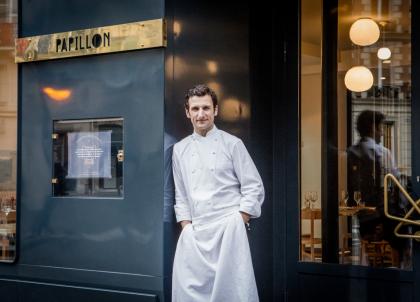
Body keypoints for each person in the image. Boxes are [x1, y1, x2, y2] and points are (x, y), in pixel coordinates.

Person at [171, 84, 265, 302]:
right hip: (196, 234)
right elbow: (181, 193)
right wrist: (187, 227)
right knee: (191, 293)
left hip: (228, 231)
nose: (201, 114)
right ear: (187, 113)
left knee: (233, 291)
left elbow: (253, 186)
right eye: (195, 109)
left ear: (216, 110)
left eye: (206, 108)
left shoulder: (233, 144)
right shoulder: (179, 149)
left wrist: (239, 219)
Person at [347, 110, 408, 265]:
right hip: (383, 216)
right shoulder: (382, 152)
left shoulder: (351, 152)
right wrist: (403, 208)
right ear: (373, 128)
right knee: (403, 233)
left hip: (363, 219)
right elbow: (397, 184)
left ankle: (370, 264)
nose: (382, 133)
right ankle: (399, 268)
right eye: (381, 128)